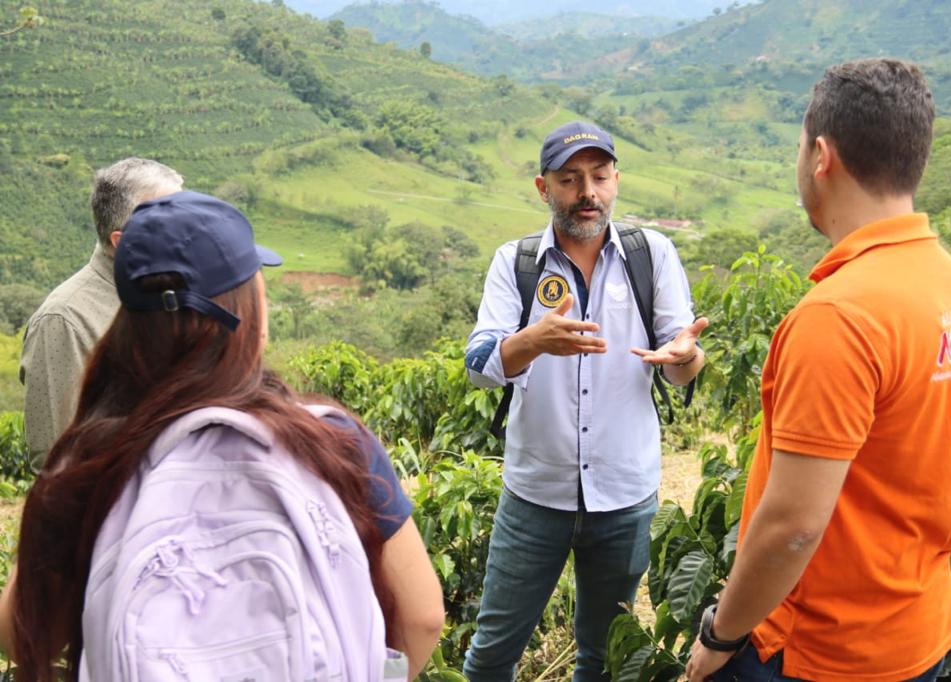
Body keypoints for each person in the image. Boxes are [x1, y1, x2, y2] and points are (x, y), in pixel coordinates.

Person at [0, 191, 444, 680]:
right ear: (245, 314)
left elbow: (20, 631)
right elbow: (423, 617)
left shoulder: (91, 459)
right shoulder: (330, 441)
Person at [686, 59, 951, 682]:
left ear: (821, 156)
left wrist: (721, 633)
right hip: (917, 631)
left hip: (823, 650)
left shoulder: (839, 316)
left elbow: (793, 528)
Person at [463, 121, 708, 681]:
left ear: (616, 179)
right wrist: (533, 340)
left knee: (603, 659)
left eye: (599, 176)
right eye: (570, 179)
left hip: (625, 497)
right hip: (535, 495)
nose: (587, 193)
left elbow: (682, 363)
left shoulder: (652, 255)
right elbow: (479, 365)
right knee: (491, 655)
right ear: (543, 188)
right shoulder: (517, 262)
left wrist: (685, 356)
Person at [20, 157, 184, 467]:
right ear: (124, 241)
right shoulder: (64, 321)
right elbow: (56, 458)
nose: (186, 233)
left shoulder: (168, 296)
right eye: (170, 224)